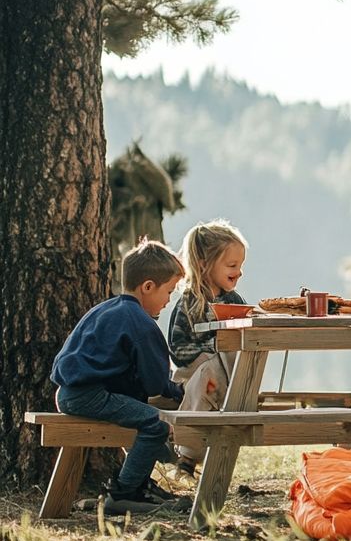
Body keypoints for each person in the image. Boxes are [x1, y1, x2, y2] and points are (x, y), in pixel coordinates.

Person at [51, 239, 189, 515]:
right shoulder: (140, 322)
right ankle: (124, 493)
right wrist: (178, 391)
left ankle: (139, 486)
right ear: (148, 287)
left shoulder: (106, 309)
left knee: (140, 416)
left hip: (69, 392)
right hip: (89, 396)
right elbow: (153, 383)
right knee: (155, 424)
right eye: (169, 292)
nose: (168, 300)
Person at [166, 219, 249, 479]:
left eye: (241, 266)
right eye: (232, 265)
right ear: (204, 263)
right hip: (193, 375)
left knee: (231, 359)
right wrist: (211, 348)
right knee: (208, 373)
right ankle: (187, 457)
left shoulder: (233, 301)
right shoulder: (190, 303)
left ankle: (242, 398)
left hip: (227, 376)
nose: (239, 272)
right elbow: (177, 347)